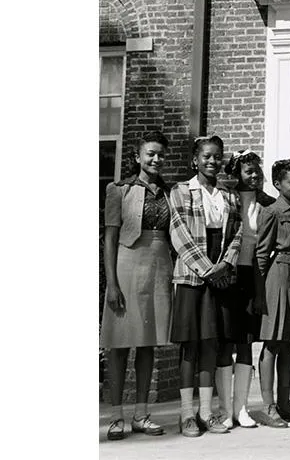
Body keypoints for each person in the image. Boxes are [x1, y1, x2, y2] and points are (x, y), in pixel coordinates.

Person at [101, 131, 173, 440]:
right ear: (137, 157)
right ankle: (116, 416)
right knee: (119, 345)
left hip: (160, 267)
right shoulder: (119, 190)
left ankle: (142, 414)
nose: (156, 159)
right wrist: (111, 284)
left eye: (160, 154)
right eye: (150, 154)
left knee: (147, 344)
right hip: (127, 265)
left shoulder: (171, 192)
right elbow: (109, 238)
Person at [169, 135, 242, 437]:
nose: (212, 162)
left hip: (220, 273)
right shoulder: (180, 191)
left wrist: (225, 264)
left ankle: (206, 413)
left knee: (212, 343)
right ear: (195, 160)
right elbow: (178, 231)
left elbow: (237, 232)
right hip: (192, 274)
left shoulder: (228, 195)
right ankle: (187, 415)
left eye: (217, 157)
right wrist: (206, 269)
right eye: (207, 157)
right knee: (191, 346)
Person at [214, 150, 275, 429]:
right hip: (228, 272)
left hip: (252, 274)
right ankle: (225, 409)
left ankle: (242, 408)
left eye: (257, 171)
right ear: (237, 173)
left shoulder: (266, 204)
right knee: (227, 341)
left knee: (246, 341)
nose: (254, 176)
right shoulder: (228, 199)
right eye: (248, 171)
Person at [254, 159, 290, 428]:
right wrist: (260, 291)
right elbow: (262, 254)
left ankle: (285, 404)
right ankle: (268, 406)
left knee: (289, 342)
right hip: (277, 275)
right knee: (273, 341)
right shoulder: (272, 211)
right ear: (278, 184)